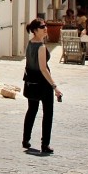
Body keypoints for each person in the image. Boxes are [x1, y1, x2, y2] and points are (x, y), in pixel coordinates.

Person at [22, 18, 62, 154]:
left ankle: (25, 139)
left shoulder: (29, 43)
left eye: (45, 26)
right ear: (34, 30)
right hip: (43, 83)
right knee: (48, 113)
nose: (45, 28)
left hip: (31, 82)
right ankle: (45, 144)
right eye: (42, 27)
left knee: (31, 110)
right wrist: (55, 86)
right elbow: (43, 69)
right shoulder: (41, 47)